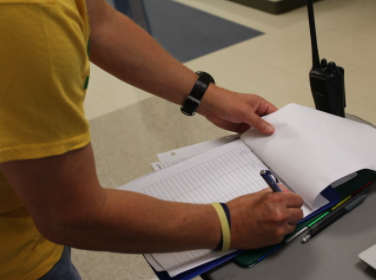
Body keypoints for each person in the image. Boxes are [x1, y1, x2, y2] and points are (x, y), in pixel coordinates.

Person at [0, 0, 304, 279]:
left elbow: (100, 21)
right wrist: (231, 223)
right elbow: (68, 214)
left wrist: (207, 97)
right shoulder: (24, 14)